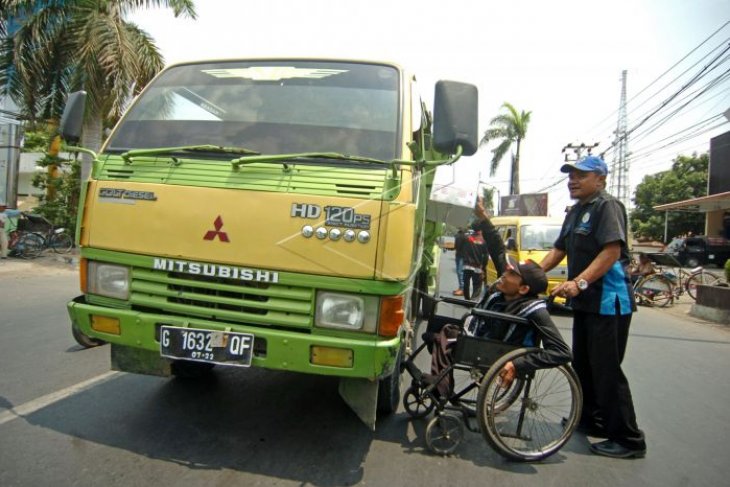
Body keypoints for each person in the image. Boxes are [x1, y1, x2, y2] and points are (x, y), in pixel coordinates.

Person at [540, 155, 646, 459]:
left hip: (609, 302)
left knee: (606, 370)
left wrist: (579, 282)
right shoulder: (575, 212)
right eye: (571, 175)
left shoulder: (606, 206)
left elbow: (612, 251)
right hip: (586, 303)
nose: (573, 180)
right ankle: (592, 419)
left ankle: (628, 439)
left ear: (600, 179)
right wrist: (530, 273)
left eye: (581, 175)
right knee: (583, 365)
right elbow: (559, 250)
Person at [428, 256, 571, 397]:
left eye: (511, 273)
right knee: (436, 326)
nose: (504, 274)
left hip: (493, 351)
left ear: (523, 289)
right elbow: (497, 250)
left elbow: (562, 352)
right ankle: (441, 382)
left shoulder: (537, 312)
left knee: (446, 332)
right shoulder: (499, 296)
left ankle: (440, 389)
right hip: (484, 339)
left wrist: (517, 364)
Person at [461, 230, 486, 300]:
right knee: (477, 285)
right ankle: (473, 300)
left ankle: (467, 299)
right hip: (477, 267)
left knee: (466, 284)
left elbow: (461, 248)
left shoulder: (468, 238)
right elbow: (485, 256)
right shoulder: (483, 241)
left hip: (467, 265)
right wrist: (483, 267)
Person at [453, 228, 467, 296]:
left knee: (460, 272)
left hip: (461, 256)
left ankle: (462, 289)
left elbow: (456, 246)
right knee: (460, 272)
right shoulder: (464, 235)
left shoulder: (459, 235)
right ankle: (460, 288)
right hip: (461, 255)